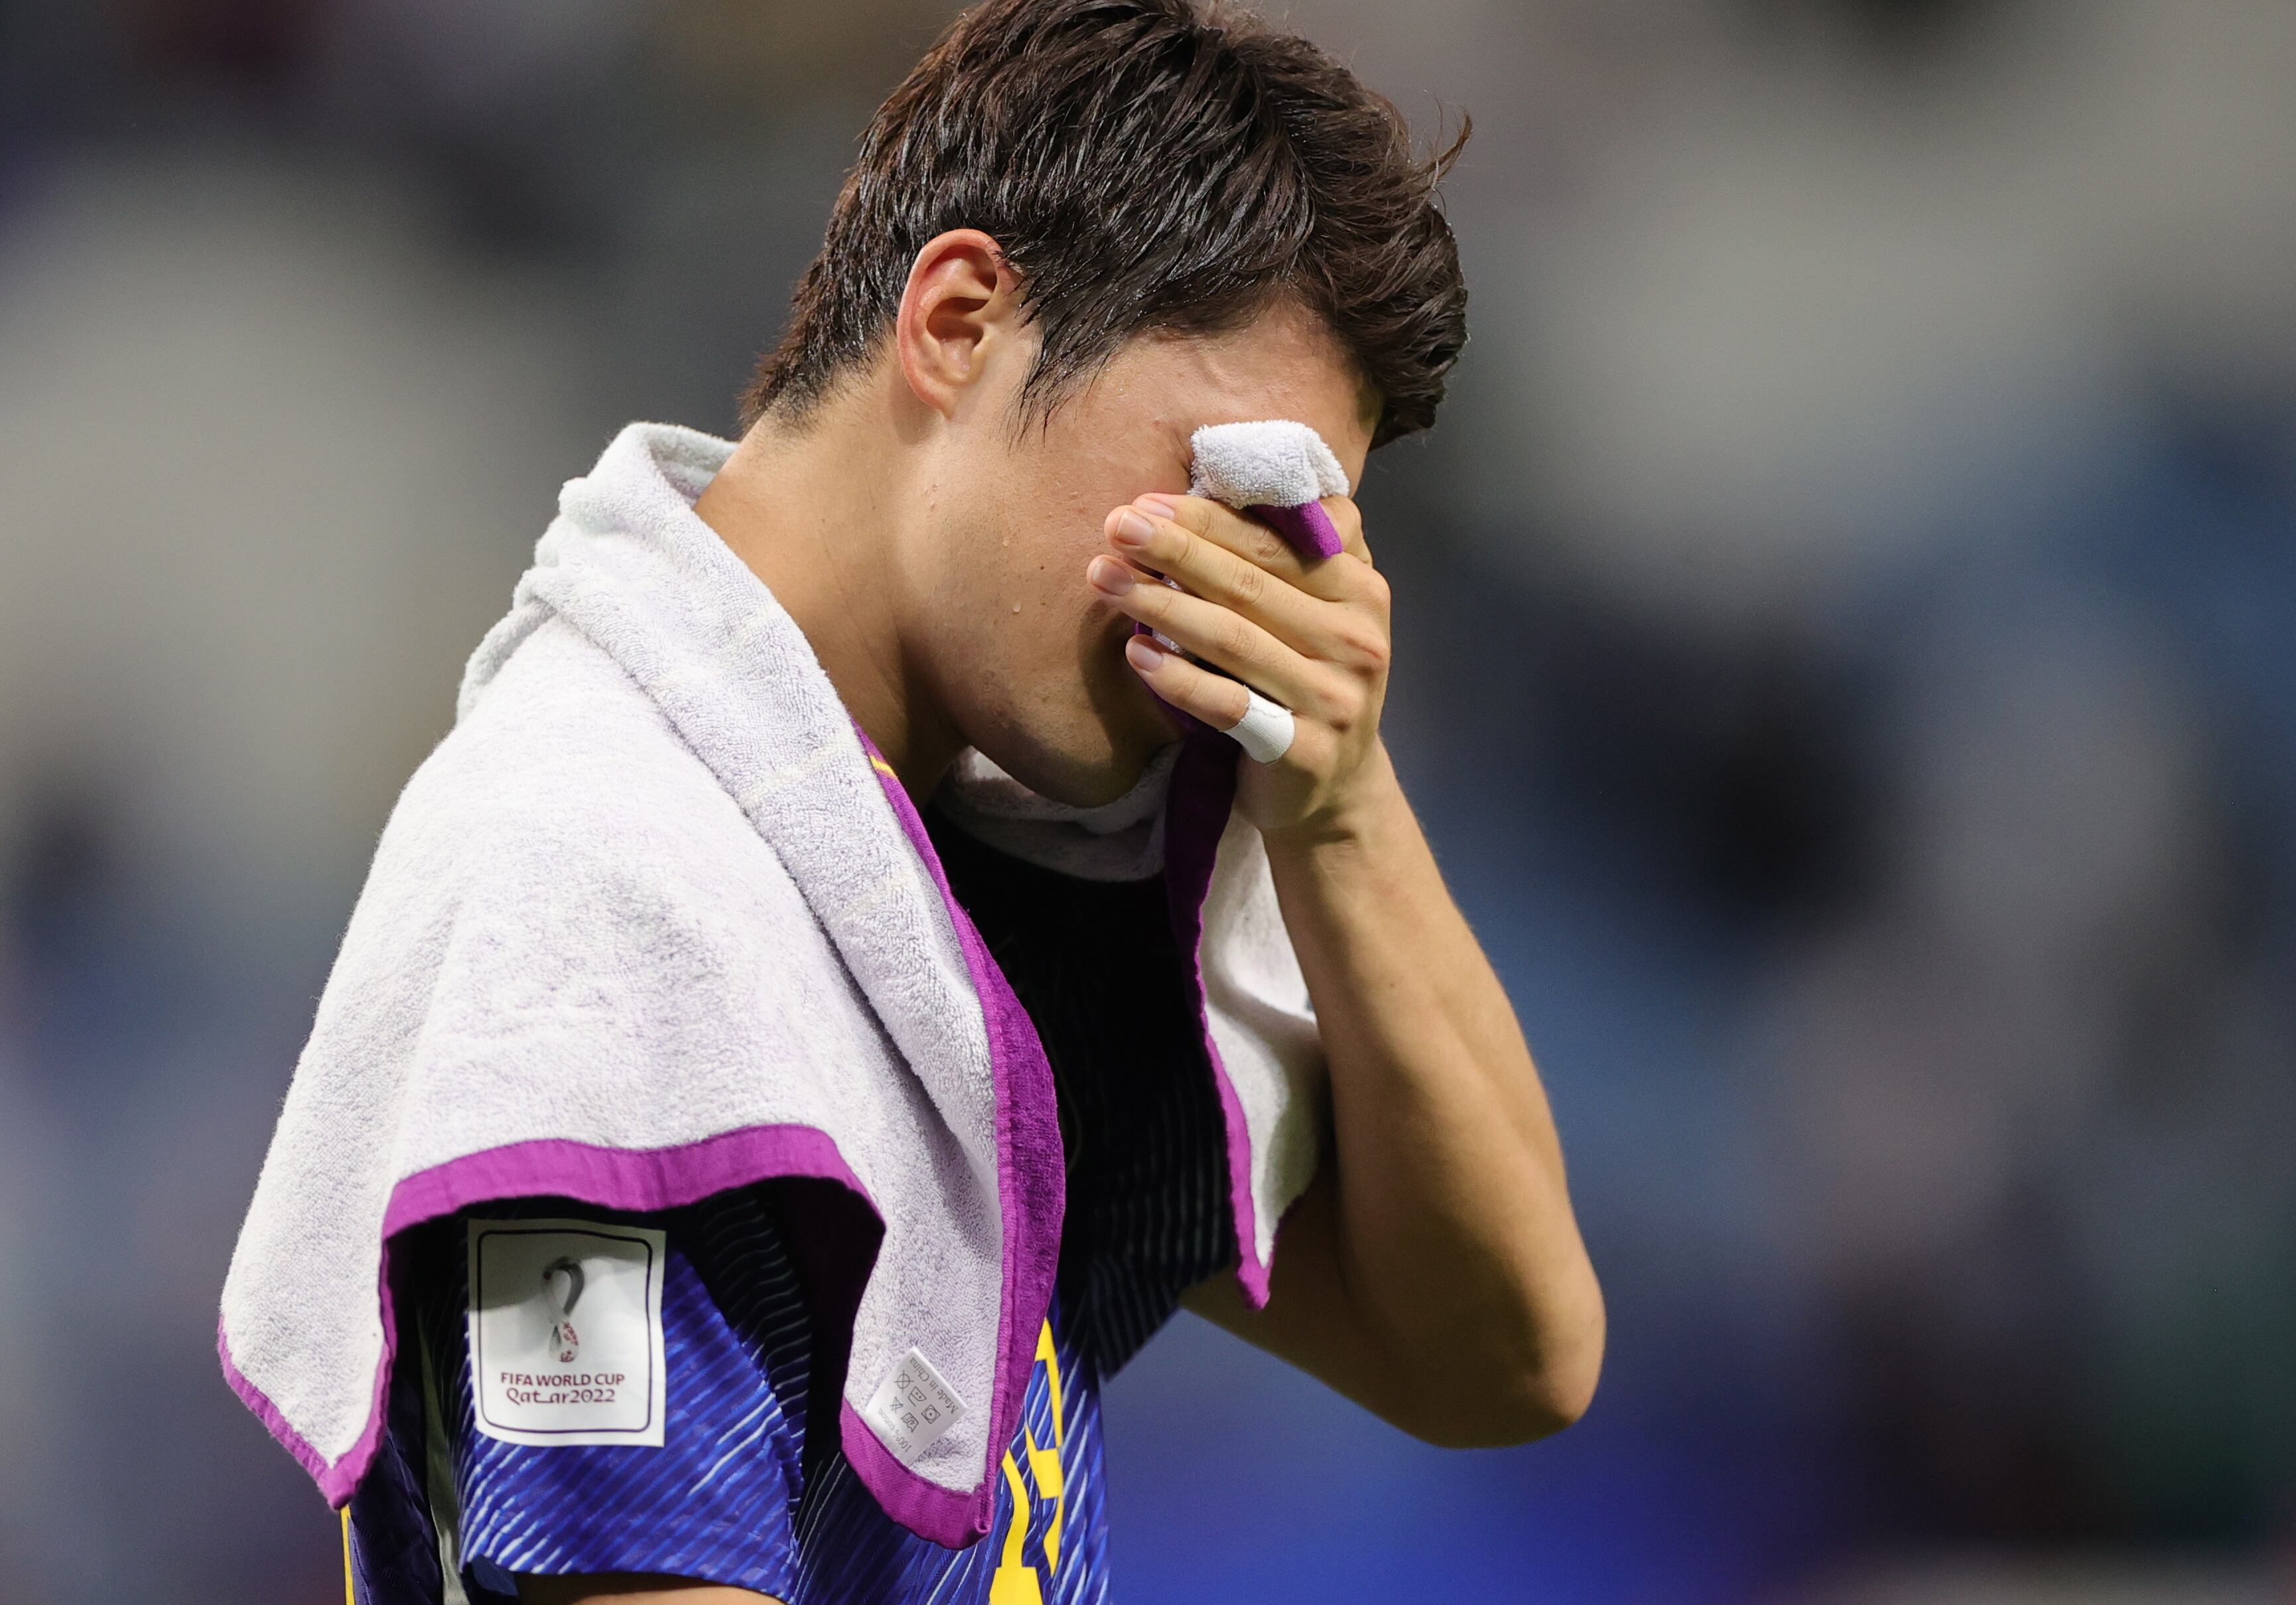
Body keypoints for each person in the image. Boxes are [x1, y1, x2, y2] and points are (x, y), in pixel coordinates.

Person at [215, 3, 1603, 1600]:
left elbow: (1510, 1357)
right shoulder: (609, 887)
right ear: (957, 321)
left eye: (1297, 534)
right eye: (1224, 488)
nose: (1245, 587)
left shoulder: (949, 863)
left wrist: (1339, 797)